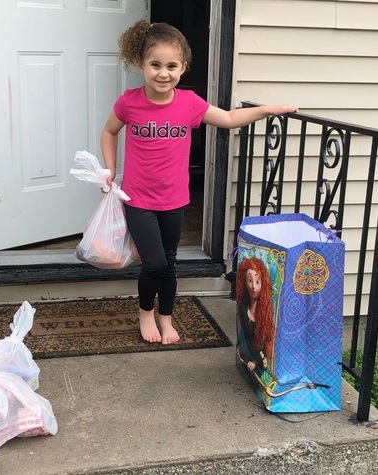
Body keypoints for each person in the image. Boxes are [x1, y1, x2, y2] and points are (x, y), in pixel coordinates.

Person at [101, 19, 298, 345]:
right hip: (138, 199)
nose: (163, 73)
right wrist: (110, 169)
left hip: (175, 200)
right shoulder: (129, 102)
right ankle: (145, 311)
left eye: (171, 66)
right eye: (155, 65)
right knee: (155, 262)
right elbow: (109, 132)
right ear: (140, 64)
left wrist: (268, 109)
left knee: (170, 262)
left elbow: (230, 119)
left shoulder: (189, 104)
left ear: (183, 68)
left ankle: (166, 317)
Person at [235, 257, 275, 376]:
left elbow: (264, 342)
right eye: (249, 280)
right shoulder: (242, 308)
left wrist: (255, 361)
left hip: (258, 362)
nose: (253, 287)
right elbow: (241, 336)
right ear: (244, 283)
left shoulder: (264, 314)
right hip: (244, 357)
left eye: (257, 282)